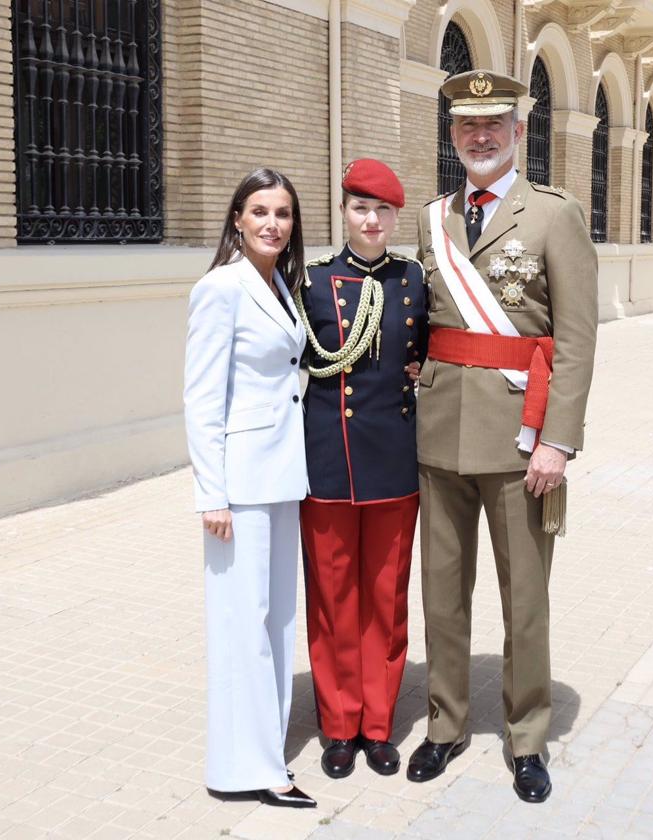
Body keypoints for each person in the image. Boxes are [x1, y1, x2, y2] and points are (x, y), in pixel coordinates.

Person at [406, 70, 598, 803]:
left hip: (522, 443)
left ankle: (526, 738)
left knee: (525, 599)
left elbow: (577, 342)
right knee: (442, 594)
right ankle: (446, 723)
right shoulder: (431, 220)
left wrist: (559, 440)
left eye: (494, 125)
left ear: (518, 132)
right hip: (438, 435)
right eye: (465, 127)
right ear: (453, 137)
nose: (480, 137)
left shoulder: (553, 215)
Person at [183, 168, 316, 809]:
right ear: (237, 218)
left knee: (276, 620)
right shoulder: (221, 287)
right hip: (239, 484)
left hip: (283, 475)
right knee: (242, 623)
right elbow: (202, 398)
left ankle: (262, 752)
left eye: (283, 213)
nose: (272, 223)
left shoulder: (282, 285)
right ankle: (252, 770)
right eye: (259, 211)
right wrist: (212, 493)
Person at [293, 159, 428, 780]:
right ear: (343, 212)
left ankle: (378, 726)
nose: (371, 221)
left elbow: (429, 356)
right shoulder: (311, 280)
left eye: (382, 211)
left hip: (395, 461)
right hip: (326, 462)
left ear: (395, 217)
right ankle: (339, 725)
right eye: (359, 208)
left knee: (385, 599)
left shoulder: (414, 280)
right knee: (331, 599)